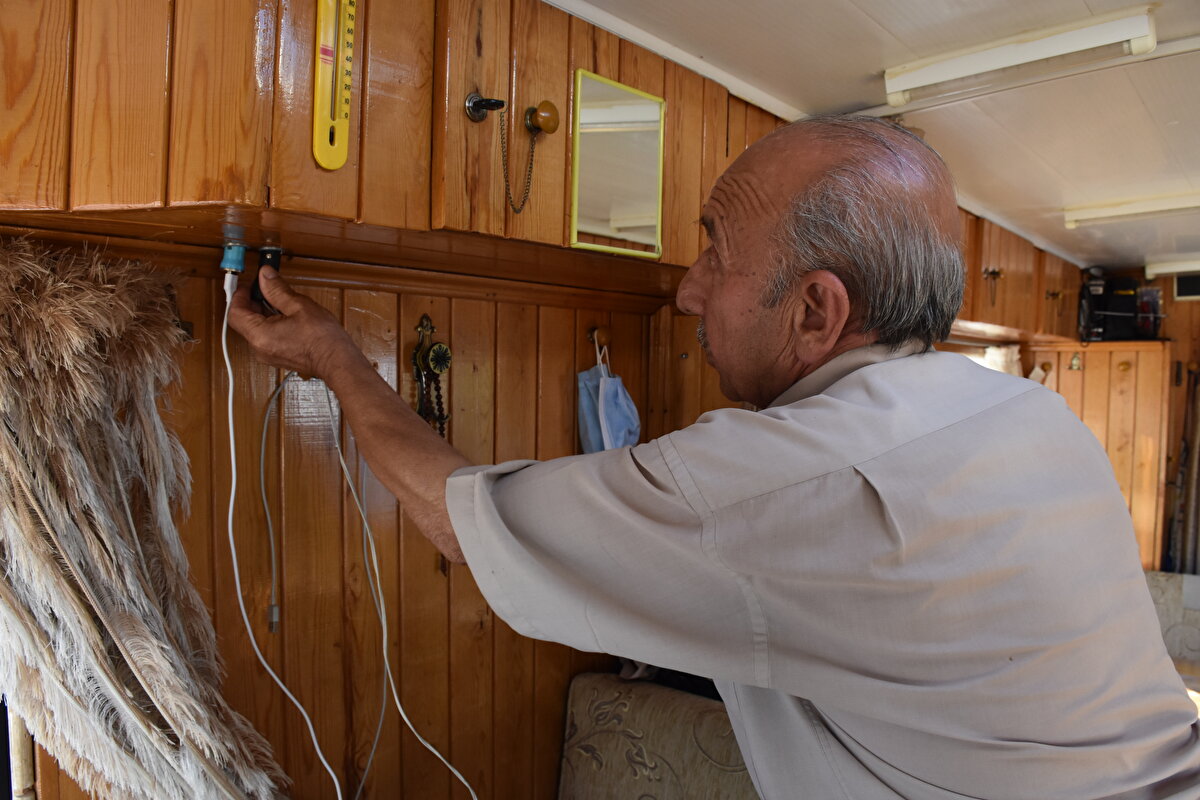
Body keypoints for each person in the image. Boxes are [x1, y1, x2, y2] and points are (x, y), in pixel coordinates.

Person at [230, 115, 1200, 799]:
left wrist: (334, 358)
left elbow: (462, 518)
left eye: (714, 252)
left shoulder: (795, 479)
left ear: (816, 309)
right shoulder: (1034, 415)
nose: (688, 293)